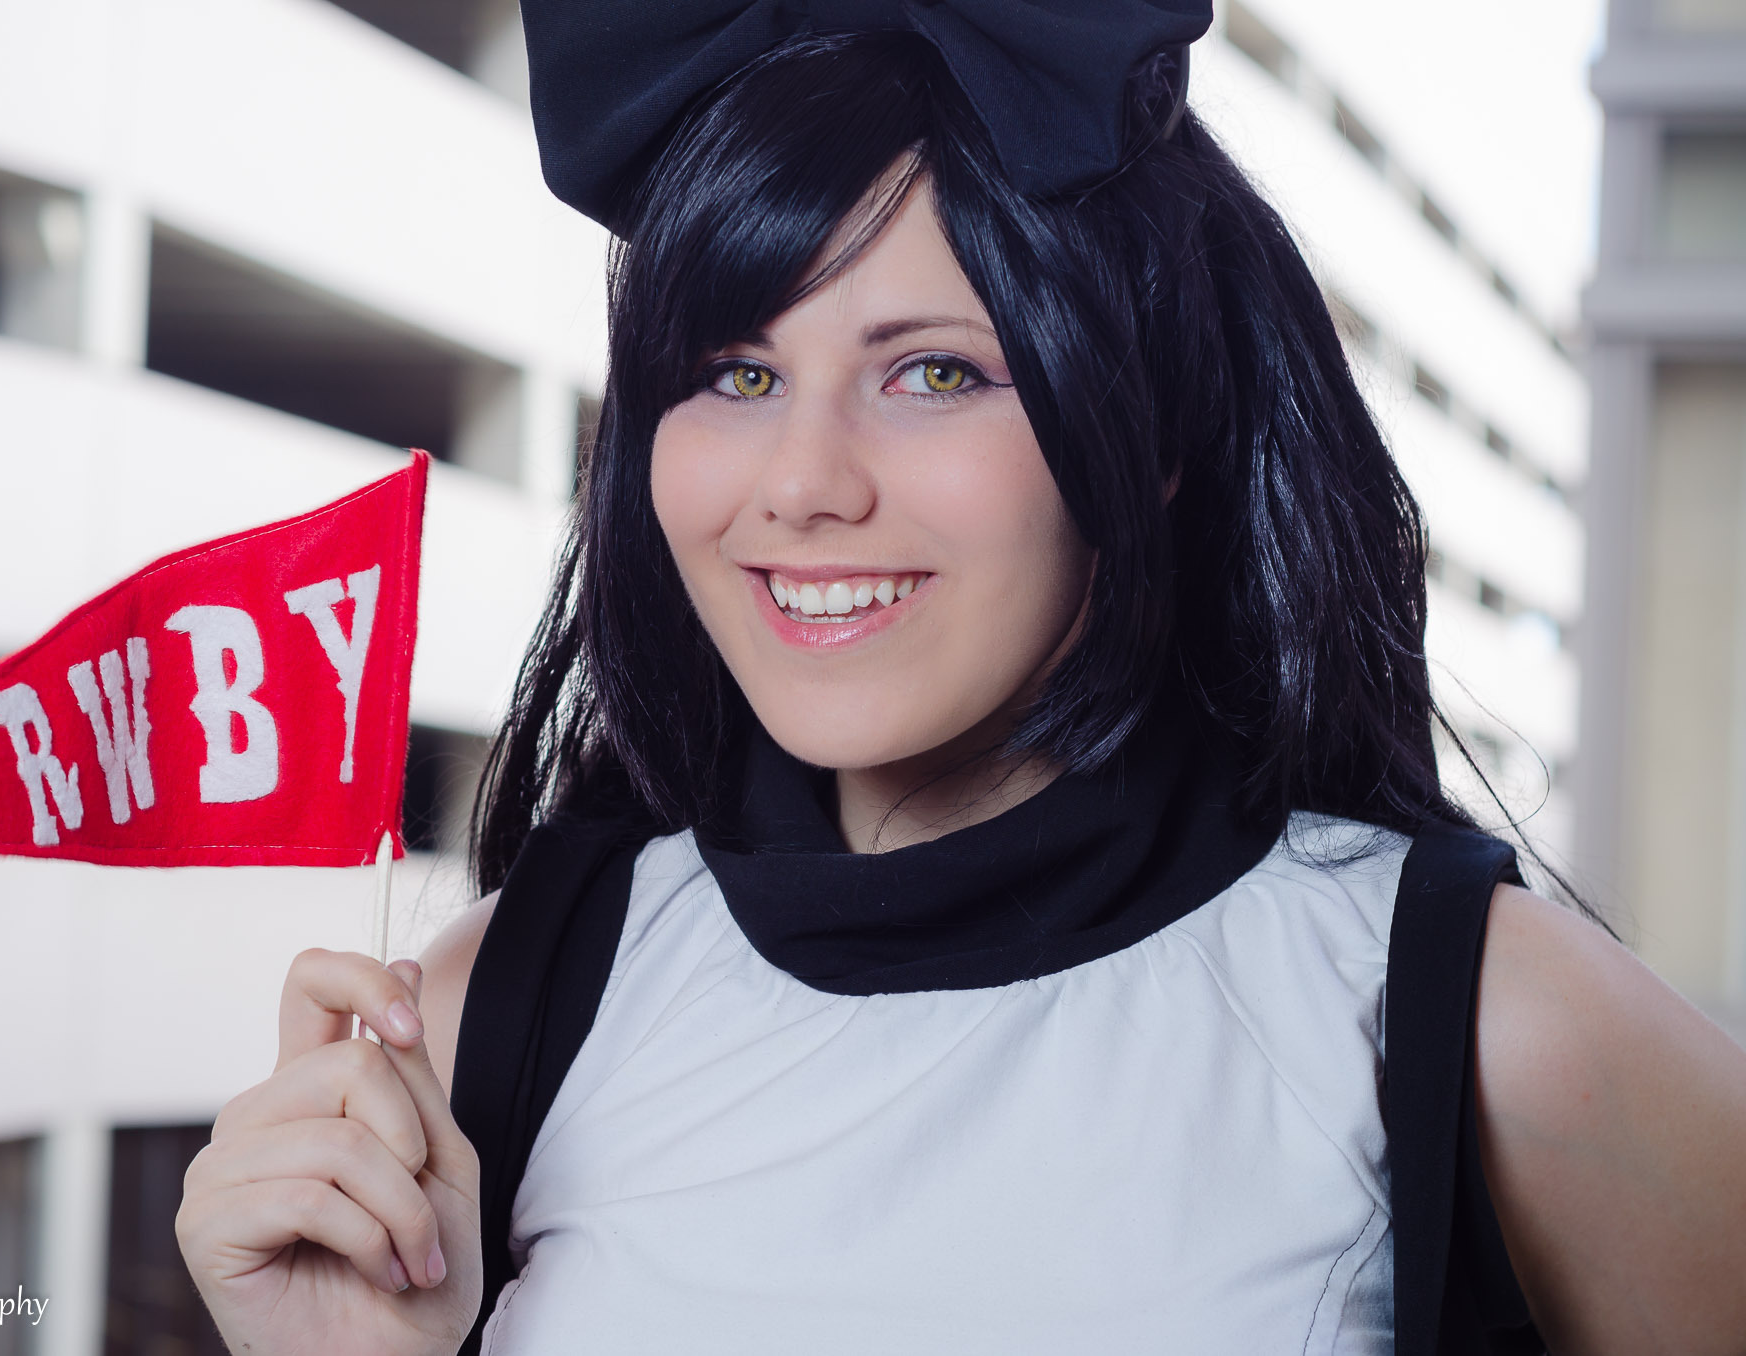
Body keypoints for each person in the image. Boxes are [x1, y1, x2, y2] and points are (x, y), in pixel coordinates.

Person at [174, 6, 1746, 1353]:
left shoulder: (1484, 1021)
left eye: (933, 372)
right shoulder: (484, 1006)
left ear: (1151, 424)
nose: (802, 484)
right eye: (736, 372)